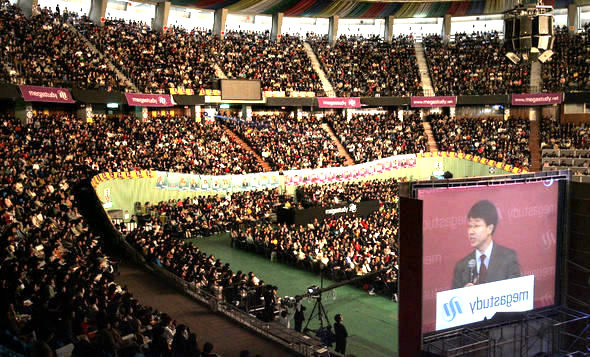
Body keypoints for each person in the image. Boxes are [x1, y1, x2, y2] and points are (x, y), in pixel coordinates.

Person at [452, 200, 521, 289]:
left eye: (476, 226)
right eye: (469, 226)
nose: (471, 232)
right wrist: (464, 294)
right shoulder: (461, 266)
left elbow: (516, 294)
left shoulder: (508, 259)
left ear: (490, 228)